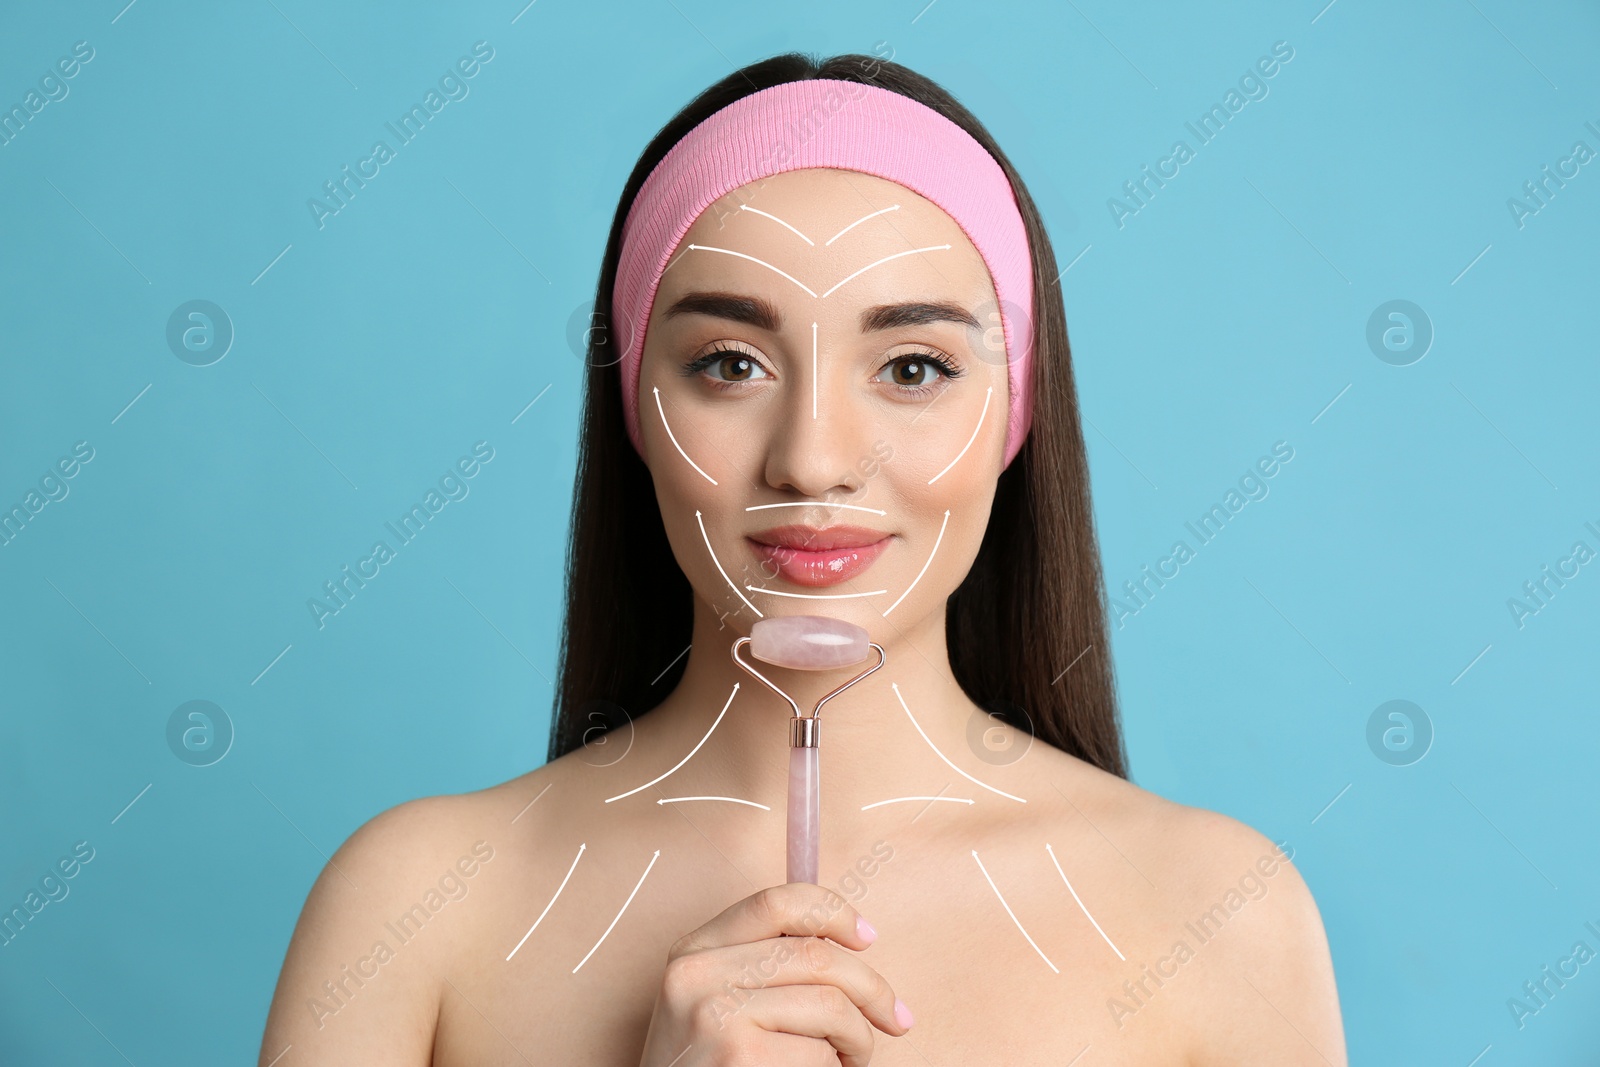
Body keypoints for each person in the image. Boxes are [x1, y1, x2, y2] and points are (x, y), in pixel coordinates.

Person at [259, 51, 1346, 1066]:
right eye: (728, 362)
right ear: (635, 403)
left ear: (1017, 413)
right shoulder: (417, 907)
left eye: (913, 368)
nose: (814, 460)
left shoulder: (1217, 912)